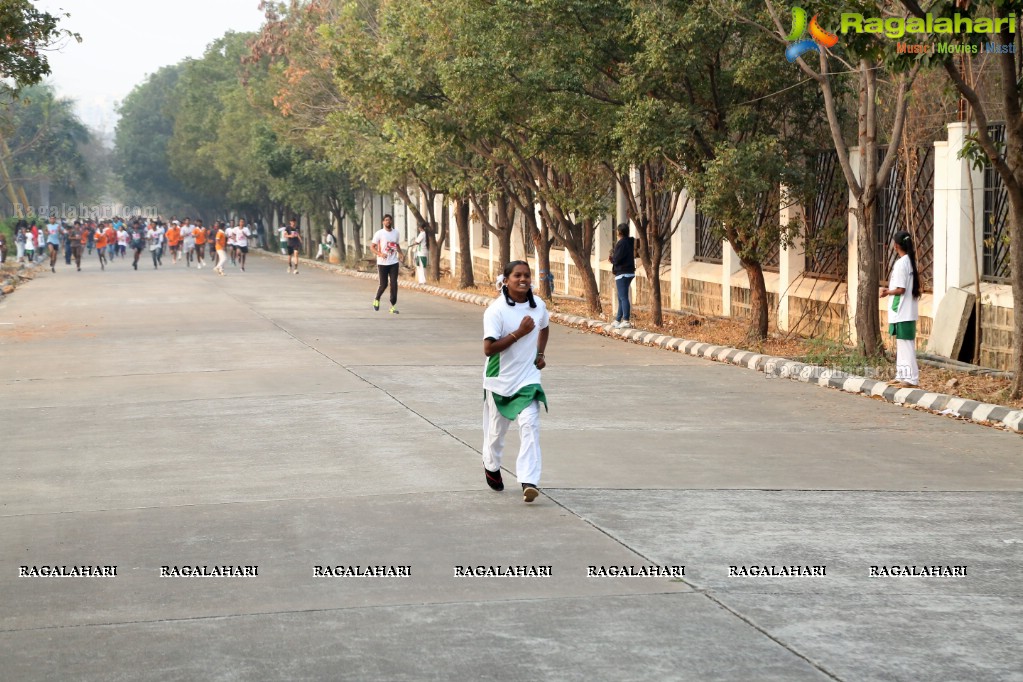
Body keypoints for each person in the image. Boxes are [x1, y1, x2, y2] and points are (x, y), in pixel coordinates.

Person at [482, 260, 550, 503]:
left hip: (528, 379)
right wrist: (518, 334)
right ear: (507, 280)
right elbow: (489, 349)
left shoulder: (538, 305)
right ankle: (491, 465)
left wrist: (540, 354)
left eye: (527, 275)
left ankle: (528, 480)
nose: (523, 280)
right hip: (499, 380)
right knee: (496, 434)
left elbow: (544, 327)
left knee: (530, 424)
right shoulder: (496, 311)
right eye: (517, 276)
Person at [881, 230, 921, 387]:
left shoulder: (901, 264)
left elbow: (901, 289)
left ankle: (911, 379)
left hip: (902, 311)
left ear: (896, 245)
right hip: (907, 310)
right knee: (902, 344)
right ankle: (901, 375)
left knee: (906, 345)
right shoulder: (910, 262)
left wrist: (886, 292)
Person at [371, 214, 402, 313]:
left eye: (389, 220)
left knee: (394, 283)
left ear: (391, 221)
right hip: (382, 263)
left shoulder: (396, 233)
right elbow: (372, 247)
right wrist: (380, 254)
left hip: (393, 262)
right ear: (383, 222)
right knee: (383, 284)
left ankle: (393, 306)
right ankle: (377, 298)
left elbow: (396, 245)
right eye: (386, 220)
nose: (387, 221)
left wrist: (401, 253)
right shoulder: (379, 233)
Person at [609, 223, 636, 329]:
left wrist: (612, 259)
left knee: (623, 297)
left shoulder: (621, 243)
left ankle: (626, 320)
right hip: (629, 271)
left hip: (622, 273)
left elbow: (618, 258)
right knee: (621, 296)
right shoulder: (629, 242)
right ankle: (618, 319)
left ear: (619, 232)